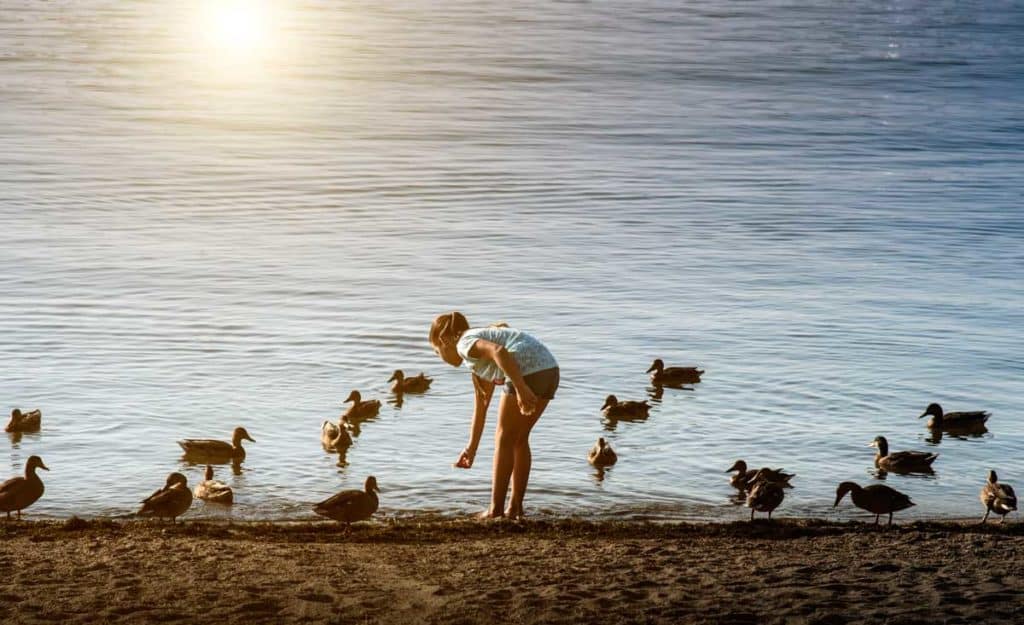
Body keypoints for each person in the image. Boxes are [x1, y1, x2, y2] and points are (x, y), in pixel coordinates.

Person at [429, 311, 559, 519]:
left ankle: (495, 510)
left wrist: (521, 388)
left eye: (436, 351)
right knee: (518, 439)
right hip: (550, 369)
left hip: (527, 372)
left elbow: (499, 351)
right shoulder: (478, 361)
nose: (440, 357)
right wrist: (471, 449)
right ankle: (515, 508)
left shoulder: (464, 343)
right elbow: (481, 407)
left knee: (503, 439)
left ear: (444, 340)